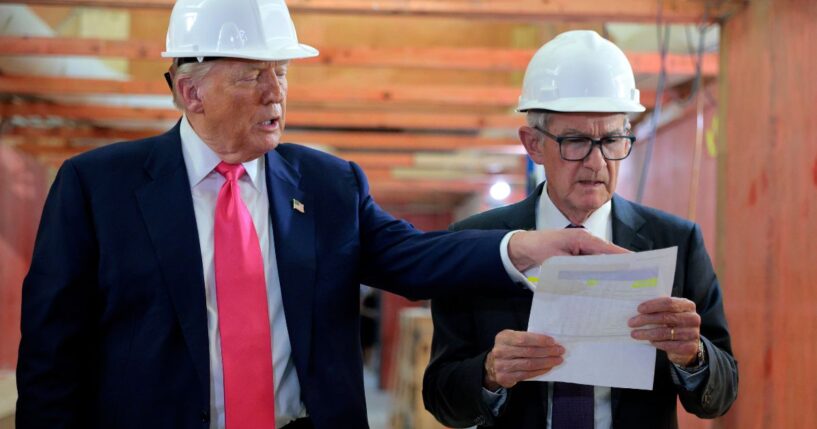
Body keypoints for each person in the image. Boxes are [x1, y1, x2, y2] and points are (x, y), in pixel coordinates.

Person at [14, 3, 626, 429]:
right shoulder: (98, 188)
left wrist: (522, 248)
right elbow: (51, 357)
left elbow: (411, 259)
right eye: (253, 75)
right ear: (188, 91)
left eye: (281, 73)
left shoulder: (328, 184)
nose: (276, 94)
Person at [422, 30, 738, 428]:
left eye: (611, 140)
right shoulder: (476, 244)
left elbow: (721, 395)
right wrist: (488, 373)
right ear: (533, 143)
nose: (596, 163)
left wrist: (694, 357)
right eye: (575, 142)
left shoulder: (675, 241)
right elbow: (440, 396)